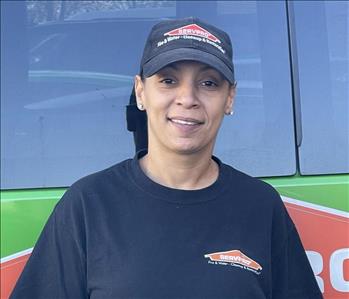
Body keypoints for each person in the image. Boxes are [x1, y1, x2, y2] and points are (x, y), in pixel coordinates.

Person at [10, 17, 323, 299]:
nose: (187, 99)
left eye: (209, 83)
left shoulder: (260, 205)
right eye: (168, 80)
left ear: (229, 98)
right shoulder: (89, 204)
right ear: (141, 92)